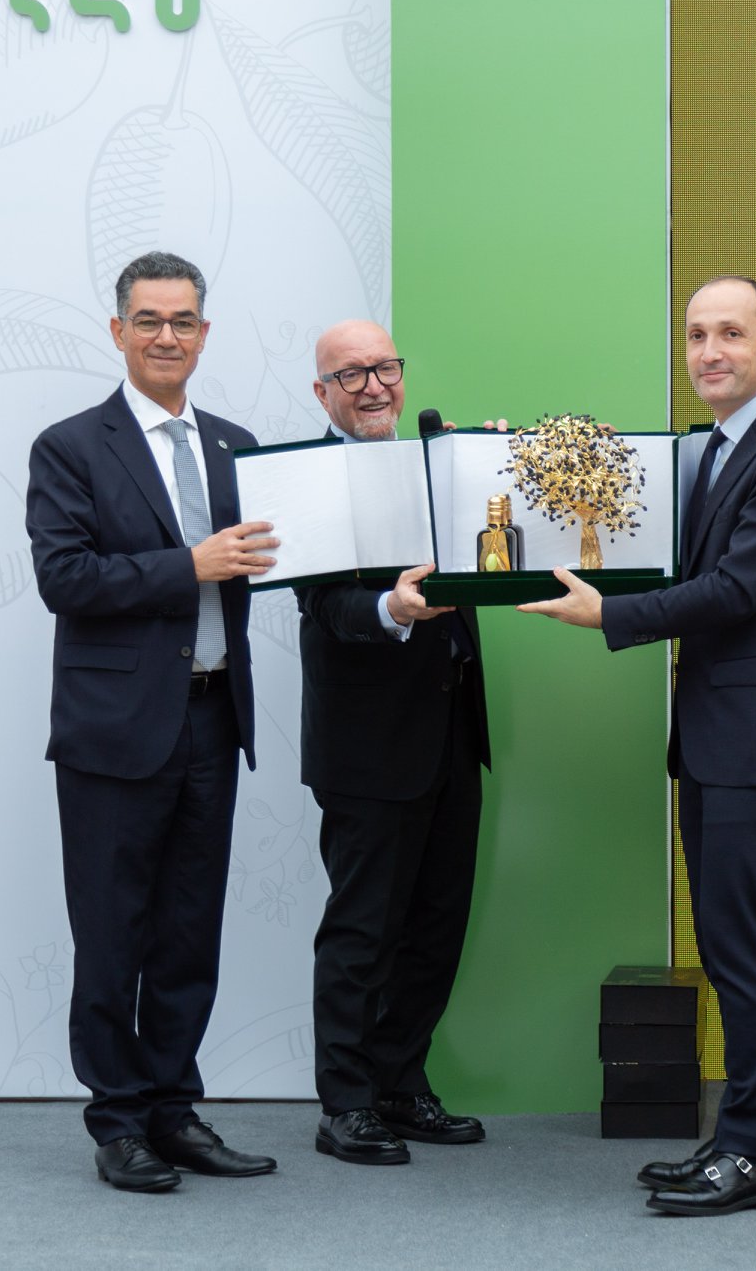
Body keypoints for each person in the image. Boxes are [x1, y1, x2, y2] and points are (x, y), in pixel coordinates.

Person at [521, 276, 756, 1216]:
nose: (709, 351)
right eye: (697, 334)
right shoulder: (721, 447)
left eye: (731, 333)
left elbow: (738, 589)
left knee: (747, 950)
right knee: (733, 944)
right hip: (719, 738)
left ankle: (754, 1154)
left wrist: (609, 615)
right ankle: (743, 1138)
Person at [26, 251, 280, 1193]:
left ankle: (174, 1110)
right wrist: (189, 565)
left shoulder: (238, 447)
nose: (166, 336)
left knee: (187, 933)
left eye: (182, 321)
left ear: (204, 334)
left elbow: (278, 555)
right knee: (111, 933)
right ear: (118, 331)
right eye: (148, 320)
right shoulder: (70, 447)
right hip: (113, 732)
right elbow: (65, 578)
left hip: (213, 719)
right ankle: (119, 1121)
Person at [296, 320, 492, 1166]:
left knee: (437, 924)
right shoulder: (308, 479)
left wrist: (493, 468)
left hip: (452, 732)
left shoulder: (436, 457)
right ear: (323, 393)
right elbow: (323, 604)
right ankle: (344, 1103)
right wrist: (391, 609)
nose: (373, 385)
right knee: (363, 929)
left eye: (384, 368)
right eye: (351, 374)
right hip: (366, 748)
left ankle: (400, 1082)